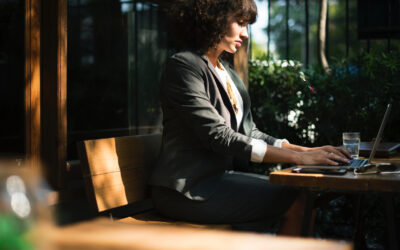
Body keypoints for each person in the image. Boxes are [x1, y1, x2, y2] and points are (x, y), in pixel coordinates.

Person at [149, 0, 351, 234]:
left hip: (216, 180)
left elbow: (249, 131)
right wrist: (298, 158)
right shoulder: (184, 66)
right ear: (215, 17)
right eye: (240, 23)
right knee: (295, 200)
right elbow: (219, 136)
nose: (245, 34)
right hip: (185, 190)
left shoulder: (227, 72)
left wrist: (308, 151)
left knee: (300, 194)